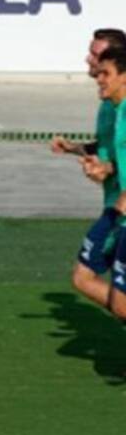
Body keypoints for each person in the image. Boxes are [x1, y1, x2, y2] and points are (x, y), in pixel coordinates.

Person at [50, 28, 126, 310]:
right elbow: (111, 150)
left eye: (97, 57)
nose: (89, 61)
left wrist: (108, 171)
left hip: (120, 210)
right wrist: (77, 150)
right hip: (115, 207)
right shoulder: (112, 106)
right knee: (85, 279)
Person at [71, 46, 126, 320]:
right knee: (86, 279)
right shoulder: (117, 111)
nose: (98, 78)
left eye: (106, 73)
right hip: (118, 214)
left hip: (119, 213)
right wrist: (105, 168)